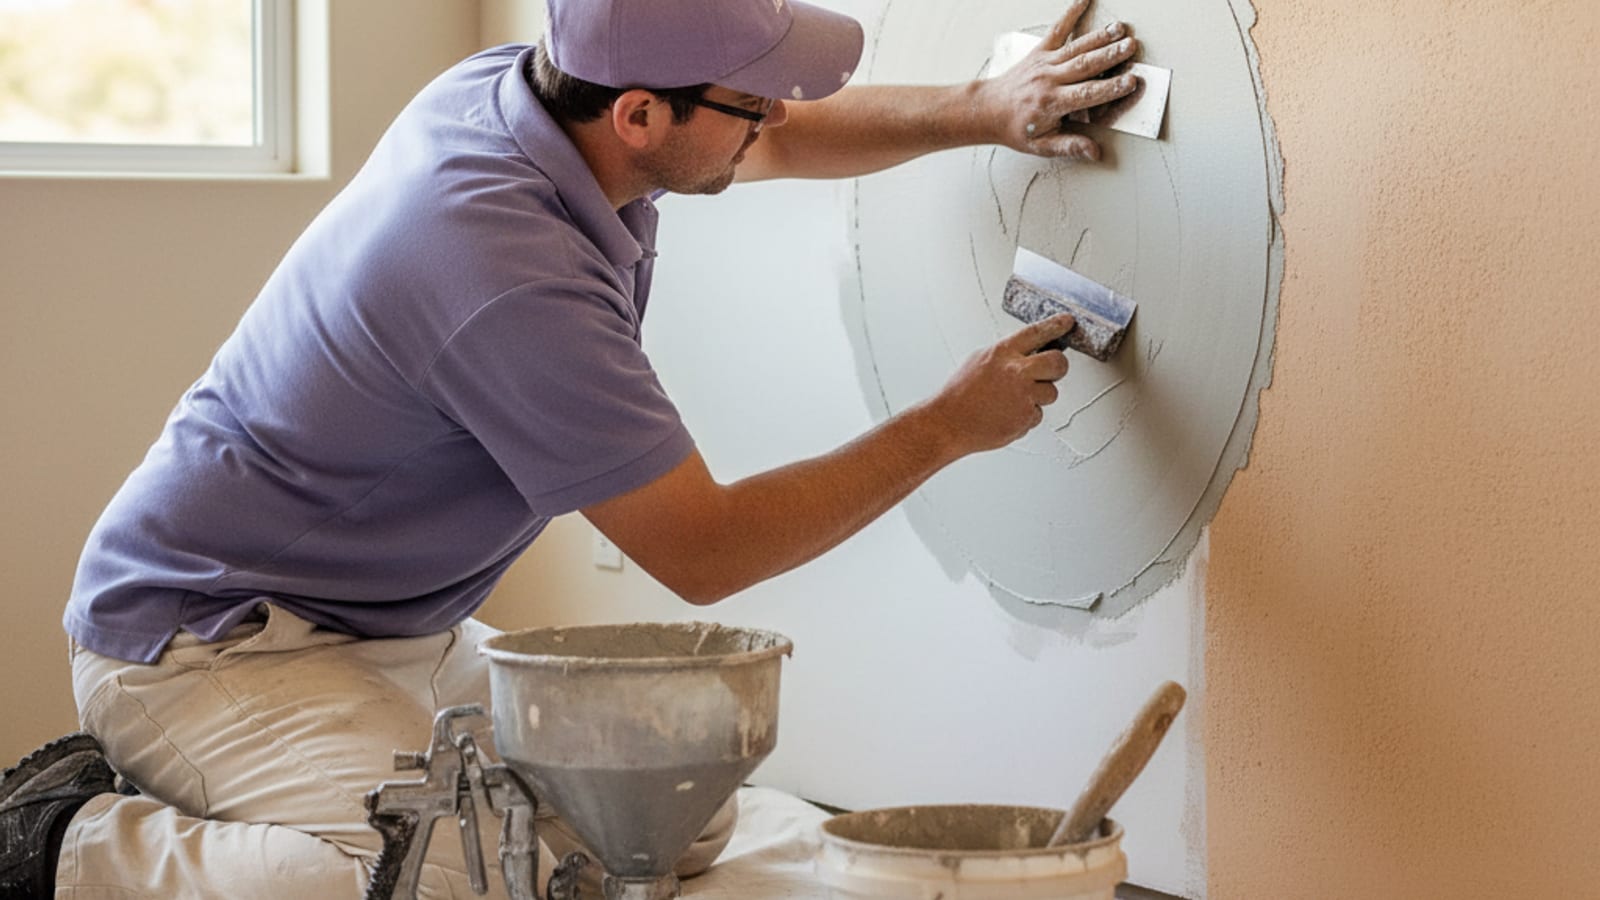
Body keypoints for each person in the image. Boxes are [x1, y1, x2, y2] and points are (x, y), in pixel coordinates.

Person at [0, 0, 1140, 896]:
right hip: (214, 646)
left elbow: (771, 144)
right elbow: (707, 550)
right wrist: (945, 426)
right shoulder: (501, 273)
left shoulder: (528, 96)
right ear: (641, 115)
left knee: (660, 825)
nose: (774, 121)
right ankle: (73, 841)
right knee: (437, 878)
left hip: (383, 628)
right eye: (752, 102)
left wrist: (986, 106)